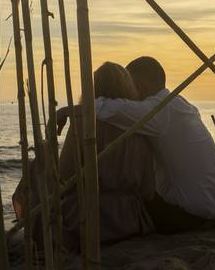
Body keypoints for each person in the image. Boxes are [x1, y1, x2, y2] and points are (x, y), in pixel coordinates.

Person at [78, 56, 215, 234]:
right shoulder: (176, 105)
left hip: (194, 216)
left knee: (129, 200)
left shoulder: (160, 110)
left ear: (143, 83)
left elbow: (110, 109)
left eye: (130, 82)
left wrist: (75, 110)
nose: (128, 89)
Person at [13, 61, 155, 251]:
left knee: (37, 166)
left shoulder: (84, 125)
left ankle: (29, 226)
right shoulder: (142, 127)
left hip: (89, 223)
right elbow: (148, 191)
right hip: (131, 222)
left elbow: (65, 177)